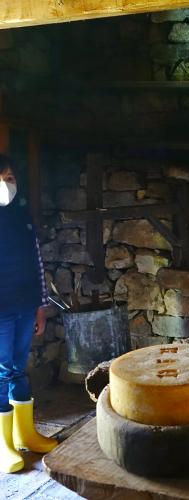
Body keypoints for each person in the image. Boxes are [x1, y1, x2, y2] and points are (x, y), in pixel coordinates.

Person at [0, 154, 57, 473]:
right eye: (0, 178)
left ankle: (25, 434)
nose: (6, 184)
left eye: (10, 178)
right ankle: (3, 446)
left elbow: (36, 264)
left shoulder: (20, 217)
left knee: (18, 369)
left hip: (24, 304)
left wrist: (41, 307)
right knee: (1, 373)